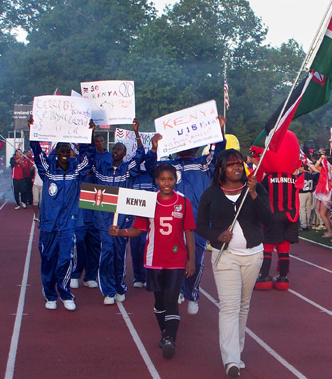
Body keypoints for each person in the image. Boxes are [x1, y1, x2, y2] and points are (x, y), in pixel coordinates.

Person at [196, 149, 271, 378]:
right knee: (229, 306)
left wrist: (255, 195)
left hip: (253, 255)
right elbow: (200, 226)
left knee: (243, 305)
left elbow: (267, 219)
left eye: (239, 164)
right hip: (225, 257)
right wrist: (216, 236)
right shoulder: (211, 194)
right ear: (221, 169)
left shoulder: (255, 188)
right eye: (231, 165)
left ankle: (236, 351)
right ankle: (231, 360)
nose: (237, 168)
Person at [109, 163, 195, 359]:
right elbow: (138, 229)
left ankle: (170, 339)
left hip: (177, 260)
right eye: (163, 179)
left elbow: (189, 231)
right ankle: (165, 332)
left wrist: (191, 259)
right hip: (154, 260)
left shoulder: (183, 202)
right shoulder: (149, 202)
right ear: (156, 181)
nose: (167, 183)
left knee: (171, 300)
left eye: (170, 179)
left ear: (176, 180)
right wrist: (121, 232)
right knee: (159, 302)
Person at [145, 116, 226, 315]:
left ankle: (193, 293)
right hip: (172, 222)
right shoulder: (168, 165)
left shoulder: (203, 164)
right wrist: (154, 149)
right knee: (174, 260)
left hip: (197, 221)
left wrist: (220, 131)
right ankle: (178, 290)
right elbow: (150, 168)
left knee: (195, 261)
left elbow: (219, 155)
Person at [29, 118, 95, 311]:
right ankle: (50, 295)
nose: (65, 154)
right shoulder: (47, 170)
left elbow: (88, 156)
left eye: (68, 151)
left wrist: (89, 133)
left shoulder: (77, 171)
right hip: (49, 226)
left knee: (65, 261)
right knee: (48, 262)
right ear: (56, 153)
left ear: (71, 152)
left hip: (68, 226)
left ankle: (66, 294)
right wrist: (33, 129)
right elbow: (36, 151)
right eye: (61, 151)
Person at [92, 119, 146, 305]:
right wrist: (91, 132)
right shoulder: (101, 168)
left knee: (119, 254)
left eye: (119, 150)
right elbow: (91, 154)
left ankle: (119, 287)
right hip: (104, 219)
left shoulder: (128, 169)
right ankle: (108, 291)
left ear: (124, 154)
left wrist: (136, 133)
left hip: (122, 220)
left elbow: (141, 154)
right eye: (114, 149)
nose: (115, 151)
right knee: (106, 253)